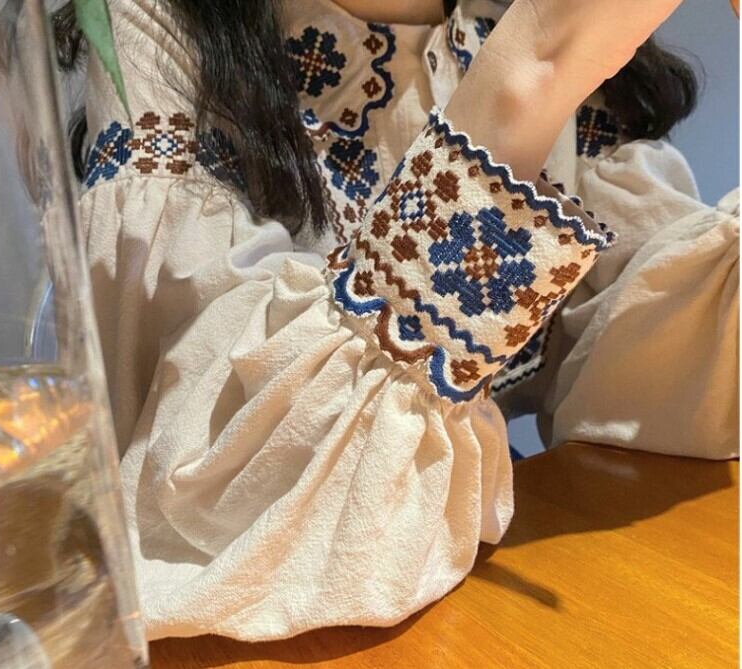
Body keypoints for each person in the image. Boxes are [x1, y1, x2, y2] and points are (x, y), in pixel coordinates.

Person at [48, 0, 736, 641]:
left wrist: (552, 51)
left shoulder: (501, 14)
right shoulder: (161, 27)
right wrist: (533, 69)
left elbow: (661, 384)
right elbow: (213, 512)